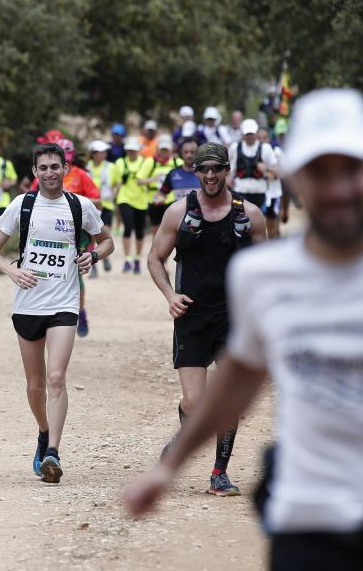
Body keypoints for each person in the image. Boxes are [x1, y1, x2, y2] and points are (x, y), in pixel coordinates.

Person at [125, 88, 363, 571]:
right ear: (296, 179)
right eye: (320, 172)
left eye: (352, 169)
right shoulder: (265, 276)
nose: (337, 188)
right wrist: (168, 470)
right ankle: (218, 468)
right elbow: (238, 381)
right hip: (306, 519)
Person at [0, 142, 114, 483]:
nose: (49, 173)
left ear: (65, 168)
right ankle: (43, 432)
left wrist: (94, 255)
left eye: (55, 166)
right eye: (43, 168)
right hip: (28, 304)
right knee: (35, 384)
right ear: (34, 172)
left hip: (63, 303)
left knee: (56, 377)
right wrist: (11, 272)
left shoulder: (79, 206)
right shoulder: (22, 205)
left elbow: (107, 241)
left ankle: (54, 451)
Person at [146, 142, 266, 496]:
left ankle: (219, 473)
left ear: (227, 170)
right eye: (204, 169)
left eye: (217, 169)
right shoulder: (178, 212)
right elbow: (155, 258)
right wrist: (170, 295)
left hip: (234, 318)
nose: (210, 175)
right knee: (196, 402)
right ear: (195, 172)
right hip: (192, 316)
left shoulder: (251, 215)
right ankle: (187, 429)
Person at [30, 139, 101, 336]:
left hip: (78, 230)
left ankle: (79, 311)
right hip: (48, 229)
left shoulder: (81, 175)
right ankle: (49, 309)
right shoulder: (46, 173)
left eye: (68, 152)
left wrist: (75, 201)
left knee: (74, 271)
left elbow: (98, 200)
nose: (50, 171)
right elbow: (33, 195)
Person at [113, 137, 149, 273]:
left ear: (138, 151)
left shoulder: (145, 163)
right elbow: (116, 182)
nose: (131, 153)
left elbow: (149, 180)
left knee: (139, 231)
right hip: (124, 198)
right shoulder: (120, 163)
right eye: (129, 150)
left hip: (141, 200)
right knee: (128, 227)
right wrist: (114, 197)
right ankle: (127, 259)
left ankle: (137, 259)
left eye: (134, 150)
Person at [228, 118, 279, 209]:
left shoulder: (266, 148)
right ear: (243, 133)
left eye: (252, 133)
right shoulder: (235, 147)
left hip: (259, 192)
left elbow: (276, 171)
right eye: (247, 133)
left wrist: (266, 169)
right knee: (238, 217)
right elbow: (227, 167)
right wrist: (227, 178)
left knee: (256, 219)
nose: (250, 136)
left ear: (256, 133)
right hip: (239, 191)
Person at [139, 135, 182, 237]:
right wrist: (152, 179)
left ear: (171, 149)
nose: (164, 152)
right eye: (162, 149)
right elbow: (139, 181)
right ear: (158, 149)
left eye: (166, 149)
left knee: (171, 224)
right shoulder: (150, 162)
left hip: (172, 199)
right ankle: (156, 246)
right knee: (155, 225)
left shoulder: (178, 162)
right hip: (154, 198)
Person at [87, 140, 118, 272]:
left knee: (105, 234)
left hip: (106, 205)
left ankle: (104, 255)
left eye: (105, 152)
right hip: (90, 206)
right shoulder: (86, 167)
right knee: (92, 236)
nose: (104, 154)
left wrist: (113, 195)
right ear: (93, 154)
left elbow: (117, 183)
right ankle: (93, 265)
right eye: (101, 152)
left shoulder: (111, 167)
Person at [257, 126, 284, 239]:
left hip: (274, 194)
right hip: (259, 194)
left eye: (265, 137)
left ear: (269, 138)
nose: (262, 140)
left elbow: (281, 174)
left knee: (273, 230)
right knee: (260, 230)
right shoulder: (253, 152)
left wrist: (265, 171)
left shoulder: (276, 151)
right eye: (259, 138)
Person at [158, 137, 201, 204]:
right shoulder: (173, 174)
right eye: (186, 152)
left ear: (197, 153)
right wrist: (160, 199)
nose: (189, 155)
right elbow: (162, 193)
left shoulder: (205, 173)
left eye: (192, 152)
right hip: (179, 213)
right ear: (181, 153)